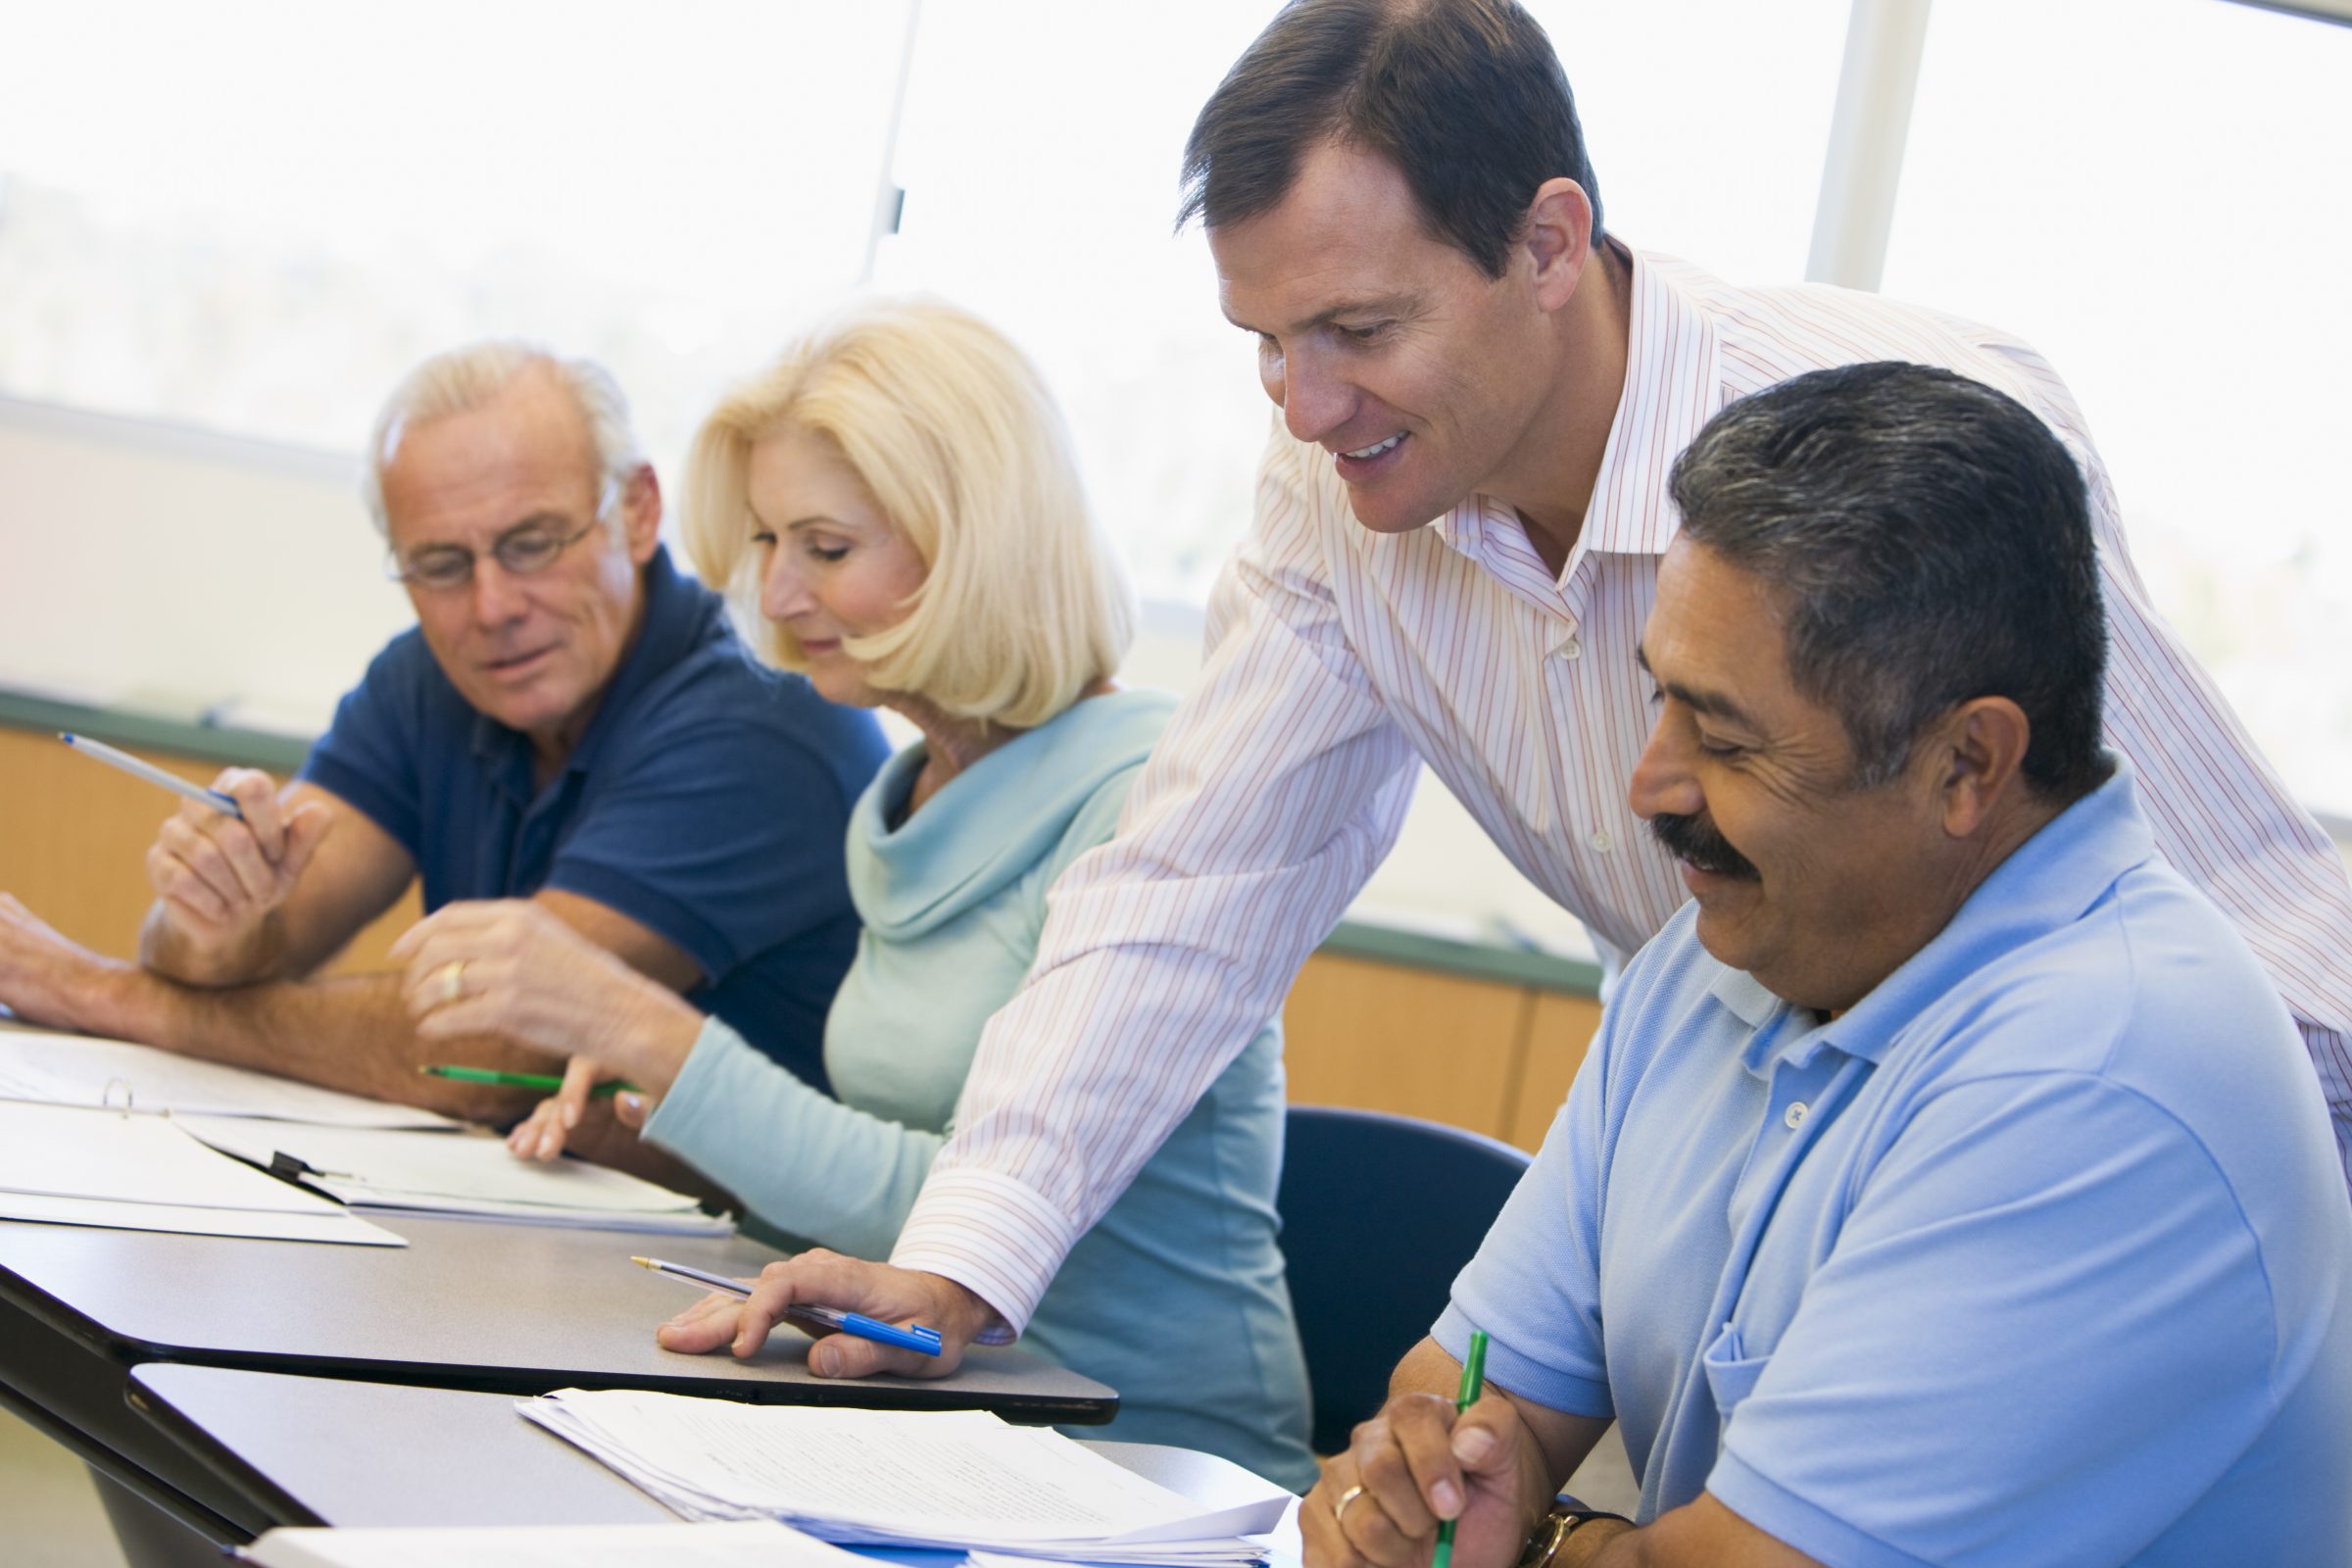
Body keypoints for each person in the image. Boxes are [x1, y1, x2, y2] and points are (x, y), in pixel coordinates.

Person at [700, 0, 2352, 1376]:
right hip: (1781, 1142)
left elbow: (2171, 919)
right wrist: (970, 1260)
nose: (1304, 403)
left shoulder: (1899, 440)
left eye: (1356, 328)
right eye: (1264, 339)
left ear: (1550, 242)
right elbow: (1195, 884)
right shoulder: (1348, 505)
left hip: (2151, 1160)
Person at [1302, 363, 2352, 1566]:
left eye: (1726, 736)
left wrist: (1539, 1541)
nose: (1649, 784)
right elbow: (1467, 1398)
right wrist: (1422, 1485)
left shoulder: (2108, 1075)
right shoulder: (1725, 955)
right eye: (1661, 699)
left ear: (1968, 764)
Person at [384, 301, 1319, 1490]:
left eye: (824, 549)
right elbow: (885, 1171)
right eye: (770, 545)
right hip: (919, 1412)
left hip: (1125, 1456)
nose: (774, 596)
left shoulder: (1152, 798)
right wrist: (649, 1103)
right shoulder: (911, 794)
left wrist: (648, 1034)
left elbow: (973, 1207)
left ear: (976, 543)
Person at [0, 342, 886, 1126]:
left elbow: (489, 1054)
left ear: (639, 511)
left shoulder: (763, 713)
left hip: (742, 1271)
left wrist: (95, 992)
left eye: (533, 543)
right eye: (441, 565)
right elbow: (242, 940)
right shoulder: (429, 676)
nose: (493, 608)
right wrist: (210, 918)